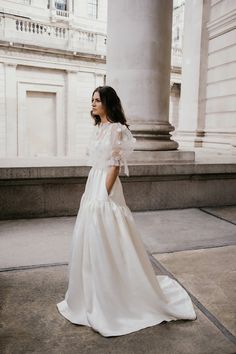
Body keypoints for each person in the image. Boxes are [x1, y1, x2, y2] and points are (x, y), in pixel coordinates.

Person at [56, 85, 197, 337]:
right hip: (94, 181)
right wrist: (93, 190)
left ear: (108, 103)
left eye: (97, 100)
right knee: (90, 234)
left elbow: (114, 166)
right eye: (92, 100)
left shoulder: (117, 130)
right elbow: (98, 164)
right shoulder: (98, 128)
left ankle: (117, 293)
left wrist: (104, 194)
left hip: (106, 186)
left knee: (108, 230)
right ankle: (92, 291)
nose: (93, 104)